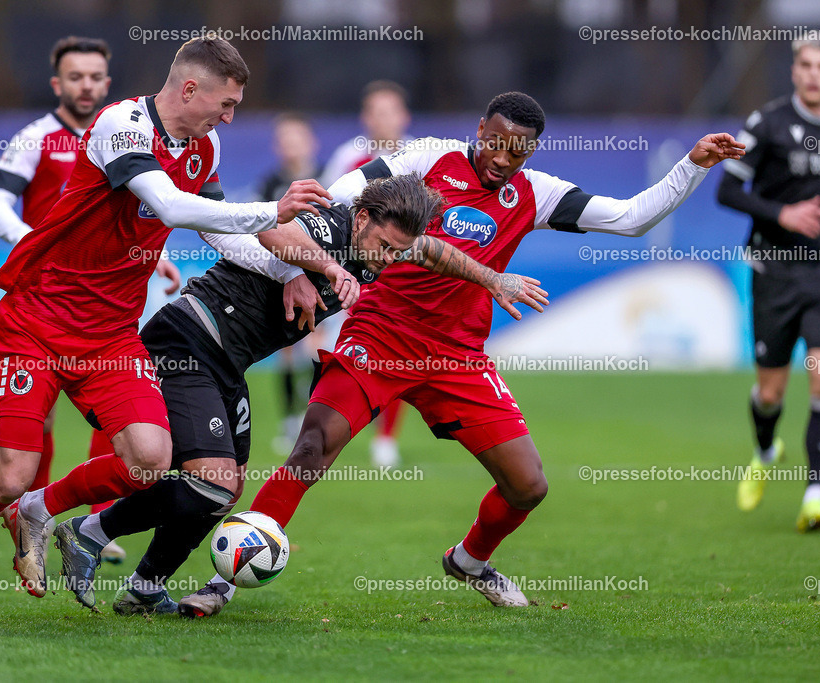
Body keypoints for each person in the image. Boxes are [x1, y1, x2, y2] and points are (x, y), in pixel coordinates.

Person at [206, 91, 743, 609]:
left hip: (457, 355)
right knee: (312, 448)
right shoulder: (423, 158)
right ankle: (225, 579)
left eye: (520, 150)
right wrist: (302, 266)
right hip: (380, 332)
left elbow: (631, 218)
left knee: (528, 486)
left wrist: (693, 164)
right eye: (497, 143)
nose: (504, 159)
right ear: (480, 131)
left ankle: (469, 560)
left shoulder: (537, 193)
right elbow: (338, 199)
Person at [0, 36, 336, 624]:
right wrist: (272, 211)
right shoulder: (123, 125)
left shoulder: (202, 145)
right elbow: (171, 207)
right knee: (9, 474)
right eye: (227, 103)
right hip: (37, 320)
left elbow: (220, 232)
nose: (230, 117)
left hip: (110, 334)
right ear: (190, 88)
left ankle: (43, 509)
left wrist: (289, 267)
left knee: (150, 458)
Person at [51, 173, 548, 615]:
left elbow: (436, 251)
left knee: (222, 489)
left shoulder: (385, 243)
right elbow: (253, 229)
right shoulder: (325, 228)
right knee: (208, 479)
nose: (390, 258)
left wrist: (492, 278)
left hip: (228, 361)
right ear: (361, 217)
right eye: (386, 246)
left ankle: (143, 587)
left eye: (399, 251)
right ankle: (76, 525)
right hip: (191, 339)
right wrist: (304, 273)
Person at [0, 36, 177, 566]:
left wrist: (147, 254)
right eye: (75, 77)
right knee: (34, 429)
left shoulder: (127, 133)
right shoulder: (37, 138)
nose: (86, 85)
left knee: (118, 417)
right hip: (44, 298)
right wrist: (35, 244)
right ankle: (25, 520)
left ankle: (93, 518)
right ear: (57, 84)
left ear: (107, 83)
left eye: (95, 77)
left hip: (105, 299)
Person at [717, 35, 820, 532]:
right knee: (770, 393)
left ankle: (815, 494)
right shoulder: (767, 124)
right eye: (804, 64)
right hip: (775, 273)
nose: (812, 74)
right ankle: (766, 448)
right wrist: (781, 213)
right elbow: (727, 189)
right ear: (794, 72)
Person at [321, 80, 413, 467]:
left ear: (404, 117)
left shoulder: (419, 157)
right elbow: (326, 206)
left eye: (390, 111)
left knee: (401, 355)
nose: (383, 119)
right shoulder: (349, 158)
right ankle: (325, 427)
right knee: (347, 353)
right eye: (376, 112)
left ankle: (386, 437)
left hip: (404, 276)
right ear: (365, 118)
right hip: (354, 272)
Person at [255, 113, 325, 453]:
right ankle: (288, 421)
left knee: (316, 346)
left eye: (296, 138)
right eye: (284, 139)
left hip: (320, 272)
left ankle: (313, 424)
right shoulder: (271, 184)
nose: (290, 146)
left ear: (311, 142)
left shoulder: (329, 177)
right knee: (284, 350)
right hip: (281, 274)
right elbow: (260, 227)